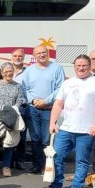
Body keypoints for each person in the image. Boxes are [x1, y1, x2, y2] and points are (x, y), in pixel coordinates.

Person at [42, 55, 95, 188]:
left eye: (84, 65)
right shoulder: (68, 83)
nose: (81, 68)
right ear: (74, 67)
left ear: (90, 66)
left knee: (82, 160)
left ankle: (76, 186)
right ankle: (57, 184)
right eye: (78, 65)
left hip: (86, 130)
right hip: (66, 128)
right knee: (56, 156)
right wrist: (52, 122)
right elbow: (58, 103)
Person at [21, 45, 65, 174]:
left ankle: (48, 165)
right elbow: (25, 89)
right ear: (34, 56)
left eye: (44, 52)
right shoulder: (29, 70)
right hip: (33, 108)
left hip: (49, 109)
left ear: (48, 53)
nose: (41, 55)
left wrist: (46, 101)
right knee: (35, 139)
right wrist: (34, 101)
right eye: (38, 53)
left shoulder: (57, 68)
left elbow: (60, 88)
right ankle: (36, 165)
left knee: (47, 139)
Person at [0, 62, 26, 177]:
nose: (9, 73)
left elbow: (19, 100)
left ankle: (6, 166)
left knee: (9, 142)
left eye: (10, 71)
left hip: (11, 118)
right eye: (6, 72)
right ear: (2, 73)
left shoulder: (17, 86)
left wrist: (11, 113)